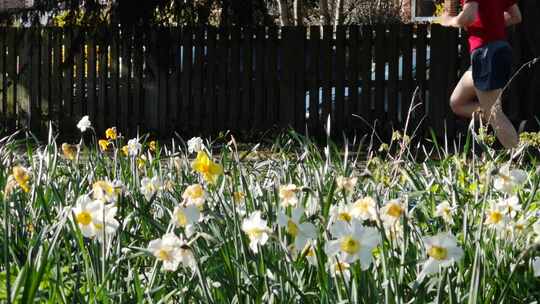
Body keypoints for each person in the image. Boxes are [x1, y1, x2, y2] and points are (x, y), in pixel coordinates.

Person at [439, 0, 522, 149]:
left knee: (495, 115)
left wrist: (450, 21)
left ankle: (521, 162)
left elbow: (468, 16)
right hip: (498, 50)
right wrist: (488, 24)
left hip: (486, 54)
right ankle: (501, 121)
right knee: (457, 103)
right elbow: (516, 16)